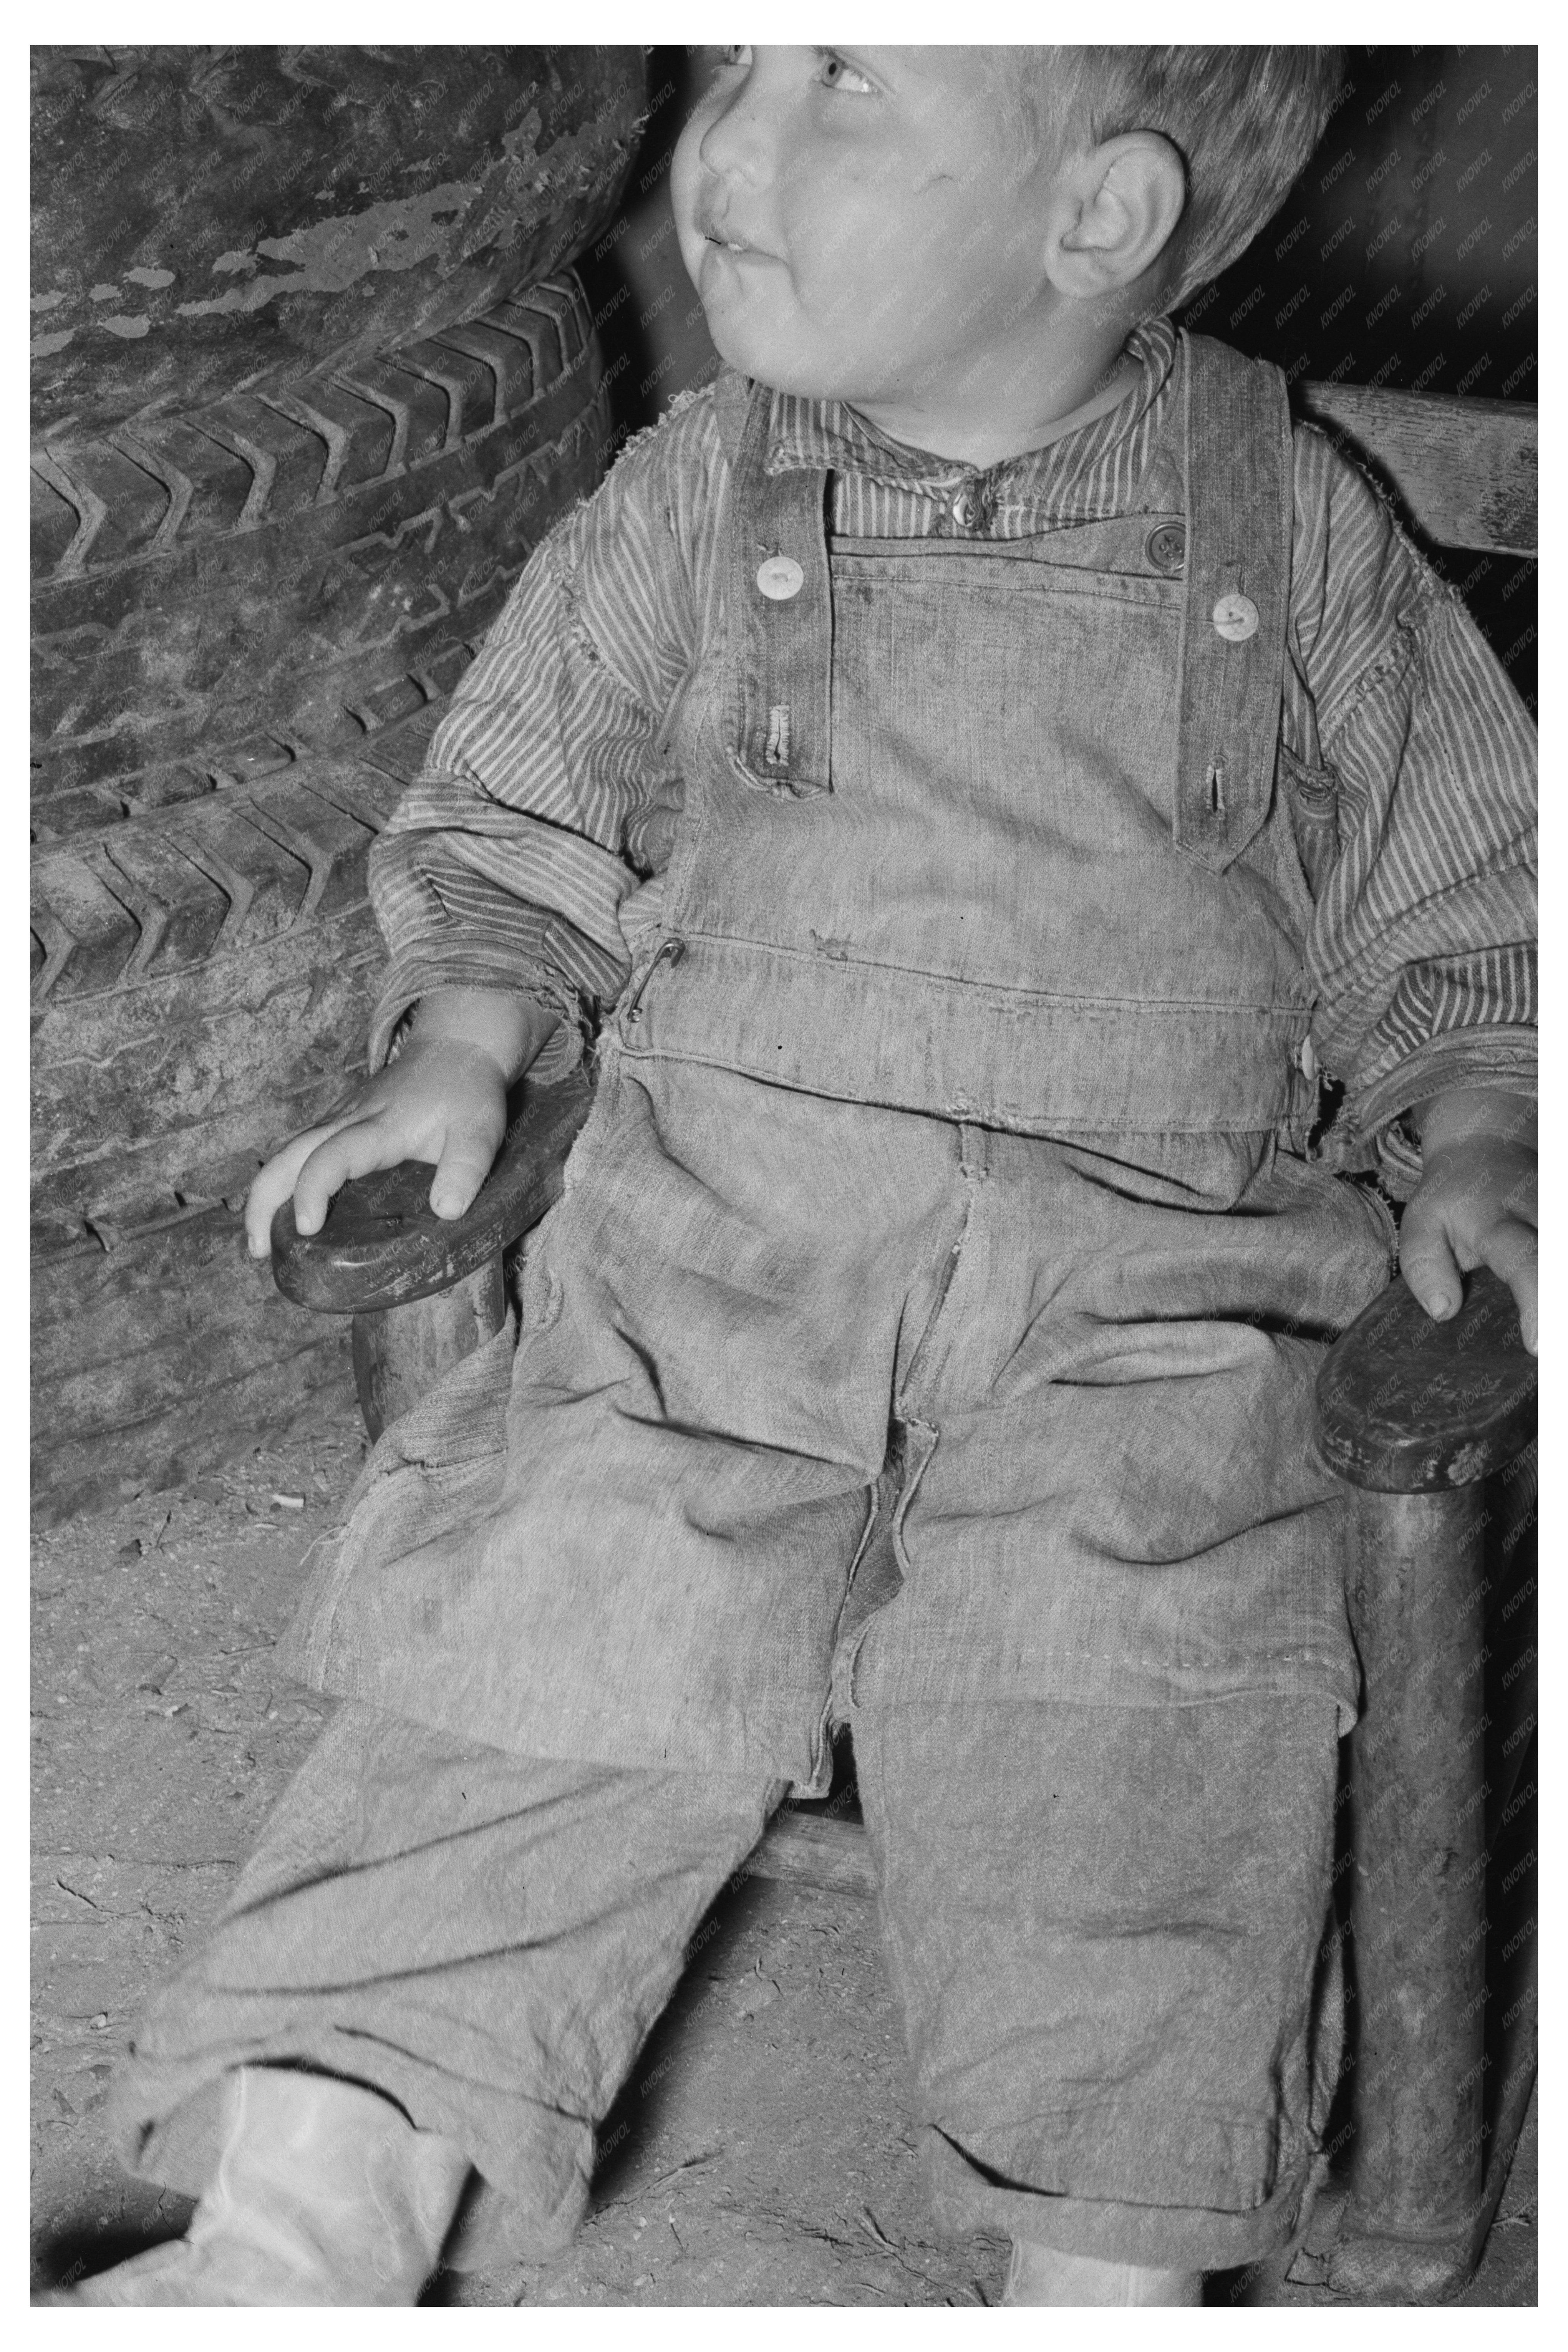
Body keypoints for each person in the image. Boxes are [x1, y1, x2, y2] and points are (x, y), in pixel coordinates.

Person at [53, 45, 1537, 2307]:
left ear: (1097, 217)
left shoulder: (1288, 513)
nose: (722, 145)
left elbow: (1455, 900)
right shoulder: (692, 490)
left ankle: (1103, 2262)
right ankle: (301, 2220)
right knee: (551, 1615)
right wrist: (463, 1042)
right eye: (737, 58)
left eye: (840, 83)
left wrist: (1481, 1125)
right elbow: (518, 805)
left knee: (1128, 1692)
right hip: (724, 1231)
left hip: (1149, 1274)